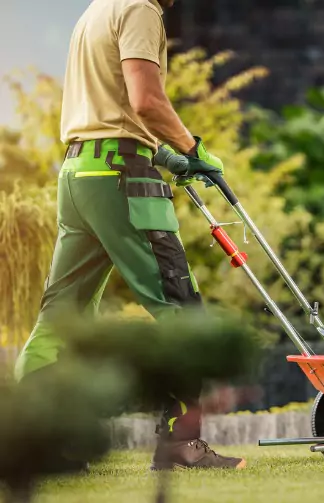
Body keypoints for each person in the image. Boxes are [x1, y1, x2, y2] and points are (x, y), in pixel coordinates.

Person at [13, 0, 246, 471]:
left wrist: (163, 154)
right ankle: (182, 443)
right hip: (123, 179)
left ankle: (28, 440)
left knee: (61, 317)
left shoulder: (96, 10)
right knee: (181, 308)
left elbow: (113, 109)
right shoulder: (141, 8)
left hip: (79, 174)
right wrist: (191, 147)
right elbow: (145, 100)